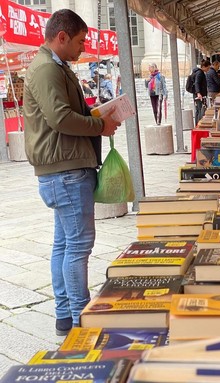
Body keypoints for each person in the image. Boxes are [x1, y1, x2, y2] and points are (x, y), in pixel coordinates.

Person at [23, 9, 120, 336]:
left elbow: (61, 115)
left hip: (62, 168)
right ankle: (81, 319)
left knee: (64, 245)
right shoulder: (48, 68)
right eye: (79, 42)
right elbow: (60, 119)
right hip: (66, 171)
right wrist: (99, 124)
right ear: (61, 36)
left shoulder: (52, 66)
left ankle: (66, 316)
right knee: (77, 246)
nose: (82, 49)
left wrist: (92, 115)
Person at [192, 59, 211, 124]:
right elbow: (197, 83)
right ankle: (199, 124)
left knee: (198, 110)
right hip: (199, 95)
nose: (208, 70)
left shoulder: (198, 72)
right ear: (204, 67)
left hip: (198, 94)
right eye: (208, 68)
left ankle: (197, 124)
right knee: (200, 110)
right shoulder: (200, 73)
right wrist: (198, 93)